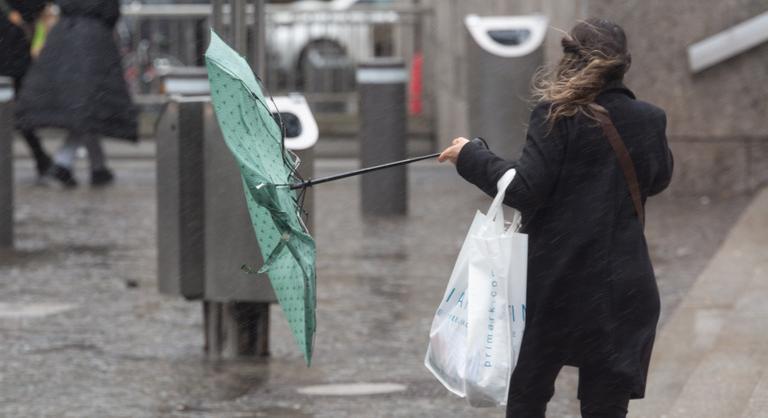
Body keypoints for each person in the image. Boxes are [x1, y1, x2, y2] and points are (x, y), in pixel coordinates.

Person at [438, 19, 674, 418]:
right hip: (623, 289)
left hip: (556, 286)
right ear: (624, 64)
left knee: (527, 396)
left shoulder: (556, 115)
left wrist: (470, 155)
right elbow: (659, 178)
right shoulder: (650, 118)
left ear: (569, 60)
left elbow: (525, 189)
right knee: (605, 407)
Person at [15, 0, 137, 187]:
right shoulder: (96, 22)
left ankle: (97, 167)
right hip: (94, 42)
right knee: (88, 107)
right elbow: (111, 12)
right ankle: (63, 165)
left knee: (84, 108)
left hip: (63, 37)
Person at [0, 0, 53, 178]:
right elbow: (39, 10)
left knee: (18, 109)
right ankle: (40, 157)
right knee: (21, 110)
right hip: (16, 52)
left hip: (12, 51)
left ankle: (40, 157)